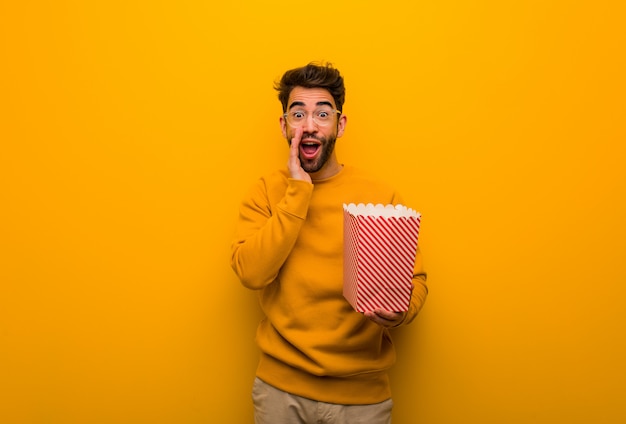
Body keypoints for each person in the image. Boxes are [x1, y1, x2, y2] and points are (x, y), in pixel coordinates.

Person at [230, 62, 428, 424]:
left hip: (362, 399)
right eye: (298, 114)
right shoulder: (266, 191)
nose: (309, 125)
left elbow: (415, 282)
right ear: (284, 125)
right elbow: (251, 273)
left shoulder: (379, 196)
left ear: (340, 124)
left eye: (322, 114)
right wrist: (298, 192)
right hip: (280, 393)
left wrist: (401, 312)